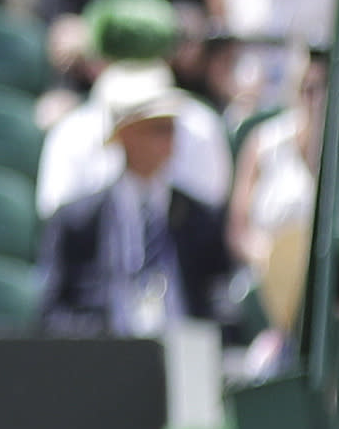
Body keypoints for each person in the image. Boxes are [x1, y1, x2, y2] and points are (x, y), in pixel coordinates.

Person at [38, 66, 241, 334]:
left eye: (172, 128)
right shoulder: (78, 221)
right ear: (125, 136)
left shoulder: (199, 218)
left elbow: (221, 302)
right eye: (157, 129)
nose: (170, 139)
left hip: (184, 361)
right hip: (104, 361)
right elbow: (52, 312)